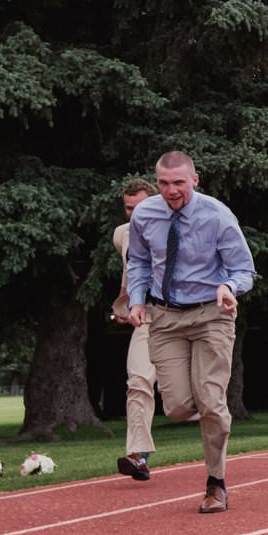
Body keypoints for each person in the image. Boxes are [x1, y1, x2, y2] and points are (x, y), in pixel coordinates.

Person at [125, 151, 257, 514]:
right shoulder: (146, 215)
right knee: (179, 408)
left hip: (211, 315)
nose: (171, 191)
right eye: (164, 183)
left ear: (194, 180)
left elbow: (244, 269)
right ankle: (212, 414)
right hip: (165, 318)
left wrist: (229, 286)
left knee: (211, 402)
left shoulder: (217, 215)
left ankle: (216, 484)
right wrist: (136, 300)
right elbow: (138, 260)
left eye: (179, 183)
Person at [112, 177, 159, 483]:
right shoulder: (122, 235)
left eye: (139, 207)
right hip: (147, 318)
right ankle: (138, 455)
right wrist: (126, 308)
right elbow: (129, 275)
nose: (134, 214)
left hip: (185, 318)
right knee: (138, 381)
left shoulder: (178, 227)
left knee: (189, 395)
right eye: (129, 208)